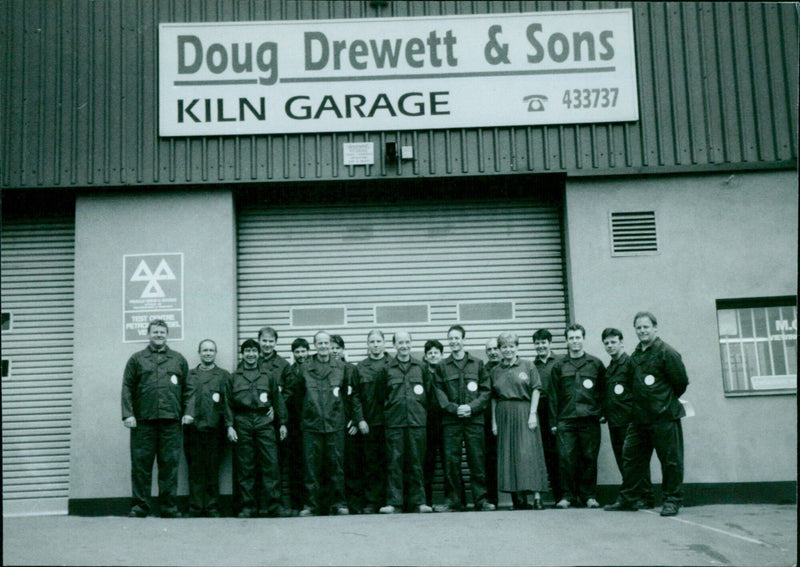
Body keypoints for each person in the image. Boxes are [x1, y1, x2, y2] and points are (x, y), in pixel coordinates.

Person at [605, 312, 689, 517]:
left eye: (646, 327)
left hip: (664, 417)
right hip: (639, 418)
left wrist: (663, 402)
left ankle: (671, 500)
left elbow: (680, 383)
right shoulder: (637, 355)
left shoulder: (666, 352)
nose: (642, 330)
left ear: (655, 328)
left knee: (670, 460)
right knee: (632, 458)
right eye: (638, 327)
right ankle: (629, 498)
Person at [121, 319, 189, 518]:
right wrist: (128, 414)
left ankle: (168, 507)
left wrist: (188, 412)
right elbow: (127, 387)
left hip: (171, 421)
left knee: (169, 465)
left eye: (162, 332)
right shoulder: (137, 359)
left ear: (167, 335)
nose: (159, 335)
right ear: (148, 334)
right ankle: (140, 507)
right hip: (143, 422)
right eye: (155, 332)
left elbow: (188, 389)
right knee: (141, 465)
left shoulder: (178, 359)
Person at [287, 331, 358, 516]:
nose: (324, 346)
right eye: (320, 343)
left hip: (335, 423)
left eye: (326, 343)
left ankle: (339, 503)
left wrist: (348, 418)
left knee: (337, 466)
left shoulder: (341, 368)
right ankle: (311, 505)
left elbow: (348, 395)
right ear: (315, 345)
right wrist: (306, 414)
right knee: (311, 467)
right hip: (312, 424)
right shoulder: (305, 368)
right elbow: (297, 397)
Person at [224, 339, 288, 518]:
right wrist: (229, 426)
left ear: (258, 353)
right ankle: (247, 506)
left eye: (254, 351)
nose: (251, 354)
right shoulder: (234, 377)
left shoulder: (268, 375)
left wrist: (282, 423)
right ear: (242, 354)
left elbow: (277, 400)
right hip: (242, 421)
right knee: (245, 466)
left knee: (271, 464)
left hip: (264, 421)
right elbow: (228, 404)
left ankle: (274, 505)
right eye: (247, 351)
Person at [433, 325, 494, 512]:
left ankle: (481, 500)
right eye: (450, 339)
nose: (453, 342)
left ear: (463, 339)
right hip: (451, 421)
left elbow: (485, 391)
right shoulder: (442, 366)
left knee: (477, 459)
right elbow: (439, 392)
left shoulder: (477, 364)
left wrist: (471, 407)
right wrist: (454, 409)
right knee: (451, 461)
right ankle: (454, 501)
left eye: (456, 338)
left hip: (473, 420)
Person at [548, 324, 605, 509]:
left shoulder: (595, 364)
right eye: (571, 338)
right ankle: (567, 496)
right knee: (566, 458)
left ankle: (589, 496)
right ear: (566, 341)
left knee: (589, 457)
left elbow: (604, 391)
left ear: (584, 339)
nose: (575, 341)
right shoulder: (559, 366)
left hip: (589, 419)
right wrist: (553, 422)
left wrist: (602, 412)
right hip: (566, 420)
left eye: (578, 337)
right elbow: (553, 396)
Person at [491, 332, 549, 510]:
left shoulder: (528, 365)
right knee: (510, 454)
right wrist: (494, 422)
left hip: (524, 412)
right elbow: (493, 398)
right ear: (500, 350)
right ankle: (518, 499)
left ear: (517, 347)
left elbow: (536, 390)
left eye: (511, 346)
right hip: (504, 415)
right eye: (504, 347)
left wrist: (532, 414)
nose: (508, 350)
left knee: (528, 453)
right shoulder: (495, 370)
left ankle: (537, 497)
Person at [378, 331, 433, 514]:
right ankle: (394, 503)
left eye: (407, 342)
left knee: (417, 463)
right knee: (394, 462)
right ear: (394, 345)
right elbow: (380, 397)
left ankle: (419, 502)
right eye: (400, 342)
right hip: (395, 423)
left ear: (411, 344)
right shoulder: (386, 369)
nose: (404, 346)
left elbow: (429, 395)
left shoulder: (421, 367)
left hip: (417, 422)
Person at [600, 328, 653, 509]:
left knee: (636, 461)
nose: (610, 346)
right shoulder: (610, 368)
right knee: (624, 462)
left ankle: (646, 497)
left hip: (630, 421)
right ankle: (630, 497)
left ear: (621, 342)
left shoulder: (630, 364)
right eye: (606, 343)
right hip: (615, 422)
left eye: (613, 342)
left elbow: (638, 392)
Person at [182, 339, 230, 517]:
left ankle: (212, 507)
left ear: (215, 353)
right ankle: (195, 507)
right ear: (199, 352)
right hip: (193, 430)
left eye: (211, 350)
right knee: (195, 469)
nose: (208, 353)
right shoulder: (189, 375)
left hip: (215, 430)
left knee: (212, 469)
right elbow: (182, 400)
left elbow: (228, 403)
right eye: (205, 350)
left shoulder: (224, 375)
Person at [352, 330, 391, 514]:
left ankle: (391, 500)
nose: (375, 344)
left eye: (378, 341)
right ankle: (372, 501)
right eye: (372, 341)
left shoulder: (393, 364)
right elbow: (356, 396)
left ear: (384, 343)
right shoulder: (360, 367)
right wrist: (359, 419)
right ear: (367, 345)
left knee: (392, 462)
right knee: (371, 464)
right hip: (369, 423)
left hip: (391, 423)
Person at [532, 329, 563, 506]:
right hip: (539, 412)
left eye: (544, 342)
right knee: (545, 455)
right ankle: (550, 495)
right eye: (537, 343)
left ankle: (565, 495)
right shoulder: (531, 365)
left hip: (558, 412)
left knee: (561, 455)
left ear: (550, 343)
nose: (541, 346)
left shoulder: (560, 362)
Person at [282, 337, 310, 515]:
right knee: (295, 464)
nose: (300, 355)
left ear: (308, 351)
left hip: (312, 422)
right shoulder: (289, 371)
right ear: (293, 354)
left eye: (303, 351)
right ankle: (296, 503)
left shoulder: (314, 368)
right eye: (297, 352)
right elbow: (286, 395)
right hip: (294, 423)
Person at [422, 339, 445, 508]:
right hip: (427, 424)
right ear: (425, 356)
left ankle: (455, 499)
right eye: (430, 353)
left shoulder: (446, 372)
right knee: (427, 462)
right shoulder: (421, 372)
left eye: (436, 352)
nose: (433, 355)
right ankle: (427, 500)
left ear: (442, 355)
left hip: (446, 422)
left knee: (449, 461)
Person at [483, 338, 501, 508]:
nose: (493, 352)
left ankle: (519, 498)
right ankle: (492, 499)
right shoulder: (483, 369)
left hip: (508, 418)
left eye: (496, 348)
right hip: (488, 421)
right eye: (490, 349)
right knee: (489, 460)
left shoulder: (509, 366)